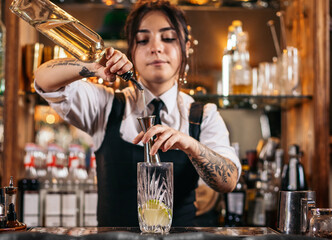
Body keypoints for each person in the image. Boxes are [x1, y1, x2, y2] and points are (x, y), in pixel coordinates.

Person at [34, 0, 240, 227]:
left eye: (168, 38)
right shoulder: (106, 105)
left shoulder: (203, 116)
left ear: (186, 47)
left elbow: (228, 181)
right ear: (131, 50)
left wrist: (189, 144)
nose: (156, 47)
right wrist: (94, 65)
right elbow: (44, 80)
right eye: (143, 40)